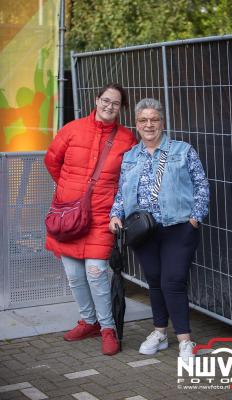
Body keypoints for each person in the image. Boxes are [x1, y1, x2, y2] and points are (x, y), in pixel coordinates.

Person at [109, 98, 209, 362]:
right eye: (143, 120)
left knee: (172, 281)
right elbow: (120, 192)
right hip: (143, 231)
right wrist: (115, 216)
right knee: (154, 281)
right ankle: (160, 333)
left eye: (154, 119)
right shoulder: (130, 156)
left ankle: (185, 340)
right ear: (137, 124)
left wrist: (194, 219)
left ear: (162, 122)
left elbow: (201, 186)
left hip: (178, 228)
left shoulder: (182, 150)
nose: (149, 124)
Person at [44, 83, 137, 356]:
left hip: (102, 218)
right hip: (69, 214)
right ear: (96, 100)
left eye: (116, 103)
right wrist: (68, 189)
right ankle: (88, 321)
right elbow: (52, 160)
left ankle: (107, 328)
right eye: (105, 100)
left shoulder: (126, 139)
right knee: (74, 275)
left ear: (121, 108)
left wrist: (117, 209)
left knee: (96, 273)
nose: (109, 106)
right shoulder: (72, 129)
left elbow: (129, 179)